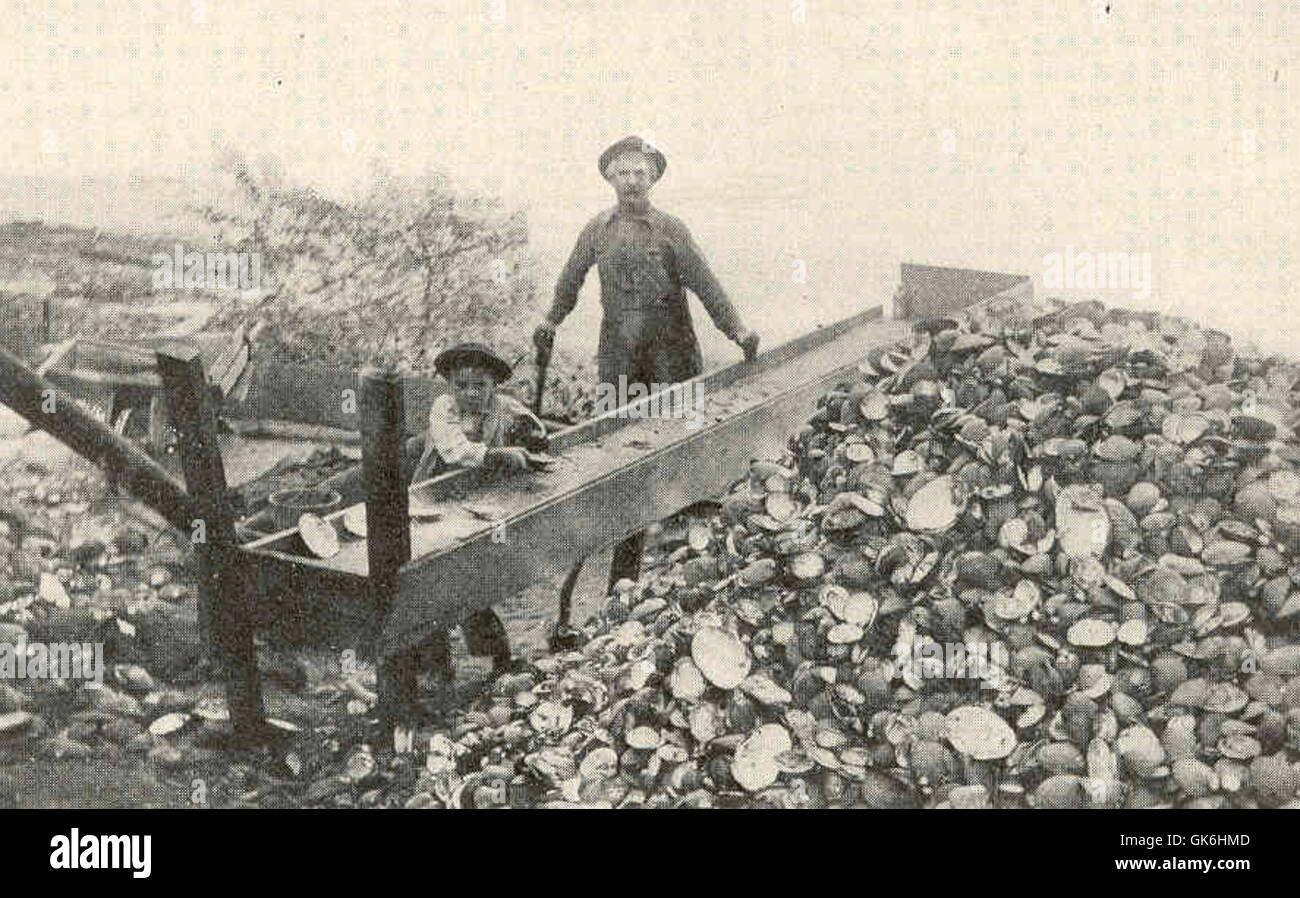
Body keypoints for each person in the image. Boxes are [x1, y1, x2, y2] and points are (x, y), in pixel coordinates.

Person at [534, 136, 761, 643]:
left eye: (640, 173)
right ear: (610, 179)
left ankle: (698, 563)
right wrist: (550, 320)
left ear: (653, 178)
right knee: (620, 455)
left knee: (681, 451)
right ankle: (622, 577)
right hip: (621, 360)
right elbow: (569, 282)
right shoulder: (596, 231)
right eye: (622, 174)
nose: (631, 182)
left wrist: (738, 331)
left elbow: (707, 285)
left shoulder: (671, 229)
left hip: (671, 357)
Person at [406, 341, 544, 683]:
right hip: (435, 500)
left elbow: (534, 426)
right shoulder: (444, 409)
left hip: (477, 500)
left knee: (472, 576)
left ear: (493, 386)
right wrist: (498, 455)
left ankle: (498, 656)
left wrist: (533, 438)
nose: (469, 393)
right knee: (429, 578)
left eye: (479, 386)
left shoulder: (503, 407)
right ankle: (435, 664)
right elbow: (454, 450)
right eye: (461, 385)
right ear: (450, 386)